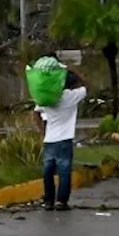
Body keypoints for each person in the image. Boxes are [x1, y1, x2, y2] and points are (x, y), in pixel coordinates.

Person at [35, 69, 87, 211]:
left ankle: (49, 200)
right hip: (65, 139)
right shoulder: (72, 96)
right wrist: (72, 70)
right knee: (64, 170)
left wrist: (42, 132)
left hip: (49, 139)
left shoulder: (48, 96)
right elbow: (84, 85)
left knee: (48, 171)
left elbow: (36, 112)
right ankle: (61, 201)